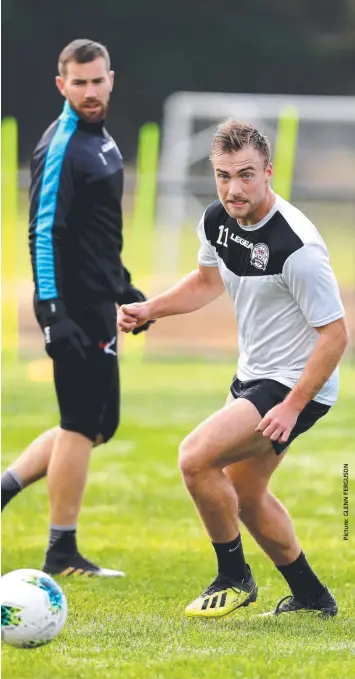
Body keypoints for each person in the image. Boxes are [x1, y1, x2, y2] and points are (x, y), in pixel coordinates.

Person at [118, 119, 348, 617]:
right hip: (255, 375)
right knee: (244, 494)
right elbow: (206, 281)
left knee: (195, 459)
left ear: (268, 171)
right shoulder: (216, 220)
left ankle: (234, 576)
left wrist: (292, 406)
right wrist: (150, 309)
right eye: (224, 175)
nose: (233, 188)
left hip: (295, 383)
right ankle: (312, 599)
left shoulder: (297, 248)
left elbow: (336, 336)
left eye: (245, 175)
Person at [1, 39, 152, 577]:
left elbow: (96, 233)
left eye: (97, 80)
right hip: (71, 307)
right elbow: (44, 232)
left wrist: (125, 288)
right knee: (78, 423)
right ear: (62, 86)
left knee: (98, 425)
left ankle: (3, 489)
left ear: (112, 79)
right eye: (79, 83)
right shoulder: (61, 144)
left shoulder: (102, 139)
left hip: (98, 302)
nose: (90, 91)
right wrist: (50, 314)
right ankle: (61, 551)